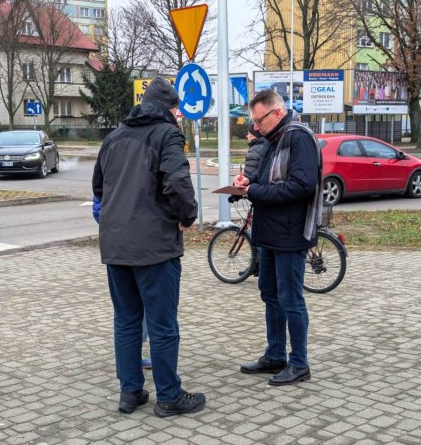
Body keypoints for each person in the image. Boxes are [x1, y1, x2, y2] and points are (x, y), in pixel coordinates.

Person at [92, 76, 205, 416]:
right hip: (154, 246)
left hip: (116, 246)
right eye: (177, 110)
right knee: (162, 324)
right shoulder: (167, 134)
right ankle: (169, 396)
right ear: (170, 109)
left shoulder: (113, 137)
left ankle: (130, 393)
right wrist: (188, 216)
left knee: (126, 321)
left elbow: (99, 188)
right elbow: (177, 182)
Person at [233, 89, 323, 386]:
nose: (255, 127)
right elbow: (268, 177)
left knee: (290, 299)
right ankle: (275, 354)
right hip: (269, 233)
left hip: (290, 234)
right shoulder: (274, 139)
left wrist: (255, 191)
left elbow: (301, 185)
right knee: (270, 295)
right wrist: (248, 181)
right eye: (254, 121)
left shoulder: (297, 137)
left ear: (277, 113)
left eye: (259, 120)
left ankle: (299, 363)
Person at [92, 195, 152, 370]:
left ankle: (136, 357)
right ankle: (133, 357)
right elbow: (98, 207)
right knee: (129, 312)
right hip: (122, 248)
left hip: (140, 246)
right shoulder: (108, 169)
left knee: (145, 310)